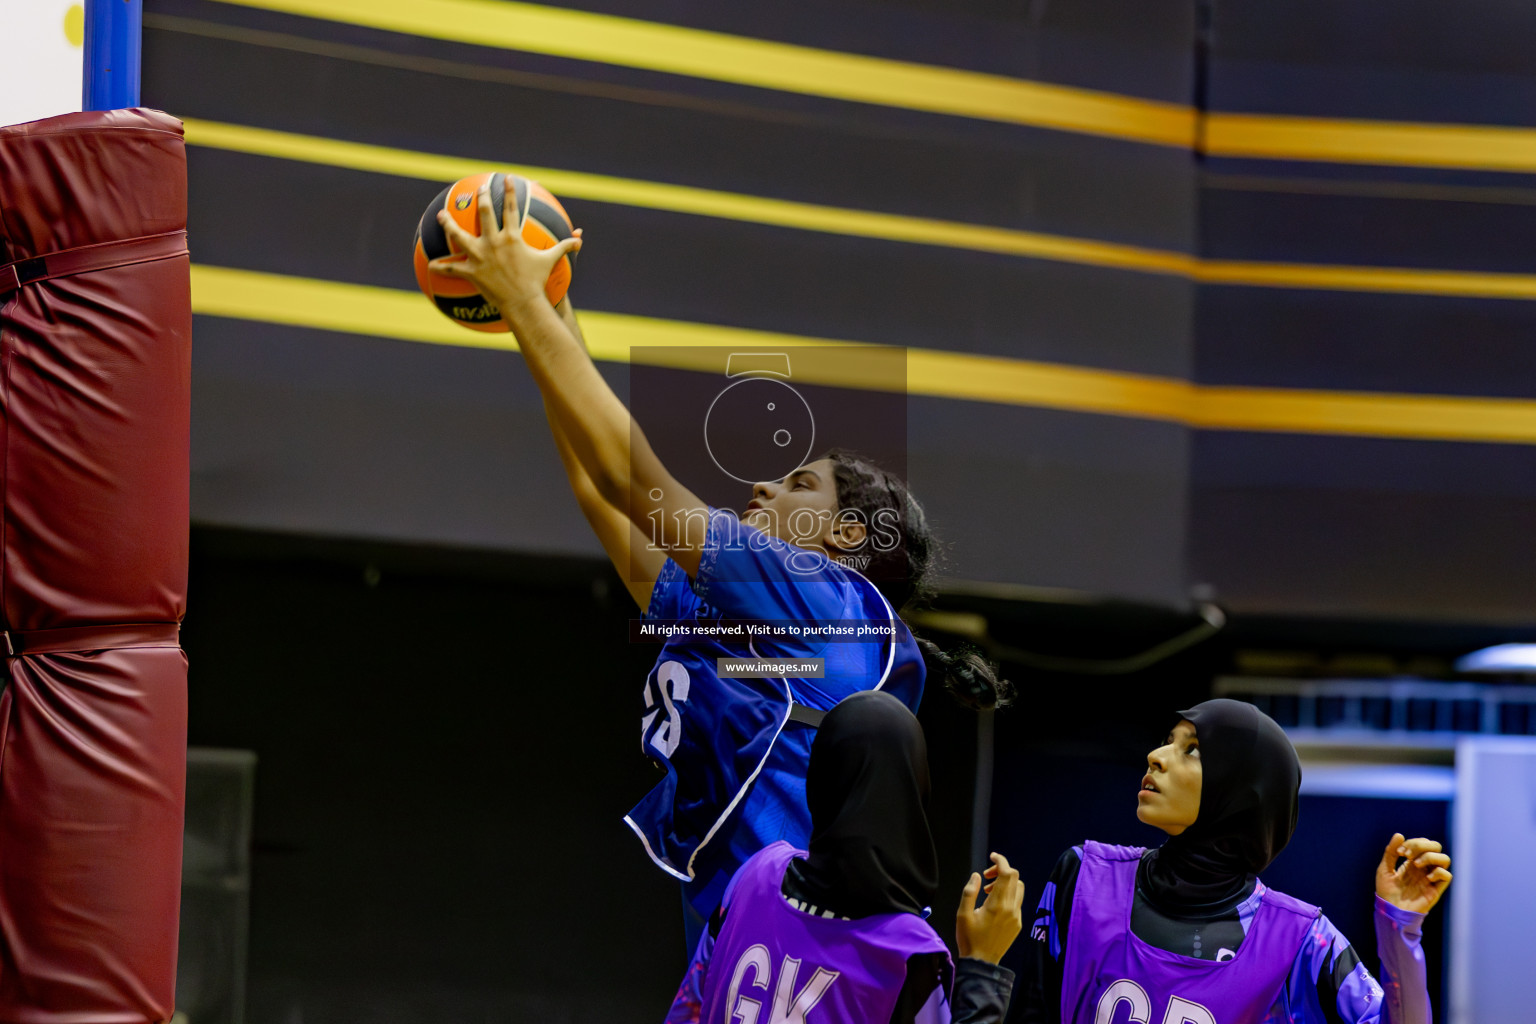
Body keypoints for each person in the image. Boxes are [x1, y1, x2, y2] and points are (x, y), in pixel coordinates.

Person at [428, 190, 1012, 948]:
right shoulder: (757, 617)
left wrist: (525, 302)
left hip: (814, 954)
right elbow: (599, 487)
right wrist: (543, 306)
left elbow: (628, 477)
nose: (763, 485)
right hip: (743, 946)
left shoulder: (824, 597)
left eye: (800, 483)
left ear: (846, 534)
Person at [1020, 698, 1453, 1024]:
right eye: (1169, 740)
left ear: (1244, 792)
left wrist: (1400, 930)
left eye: (1192, 749)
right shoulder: (1082, 877)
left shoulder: (1302, 941)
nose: (1157, 755)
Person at [667, 691, 1023, 1024]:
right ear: (913, 794)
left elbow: (688, 1010)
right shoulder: (909, 951)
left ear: (819, 781)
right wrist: (982, 963)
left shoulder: (756, 875)